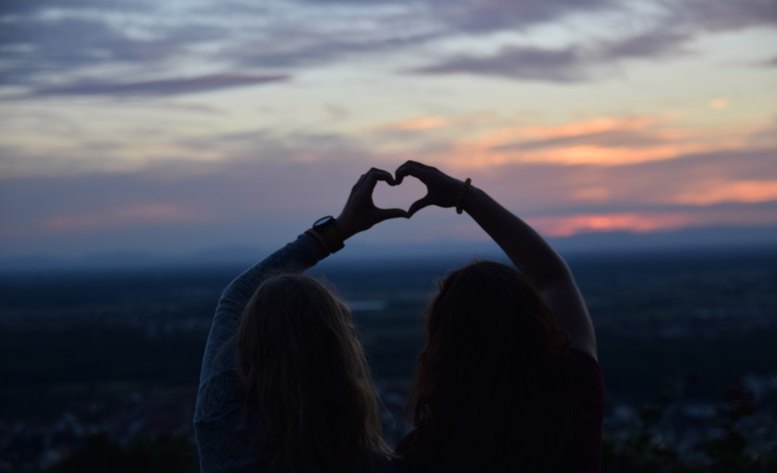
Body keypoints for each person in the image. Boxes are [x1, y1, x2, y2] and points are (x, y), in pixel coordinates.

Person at [392, 161, 604, 472]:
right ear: (535, 321)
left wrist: (336, 231)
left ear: (445, 345)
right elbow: (552, 276)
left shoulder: (422, 454)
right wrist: (465, 195)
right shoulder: (576, 394)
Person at [193, 168, 407, 473]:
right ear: (340, 356)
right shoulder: (370, 466)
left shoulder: (221, 430)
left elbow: (237, 296)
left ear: (249, 346)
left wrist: (341, 228)